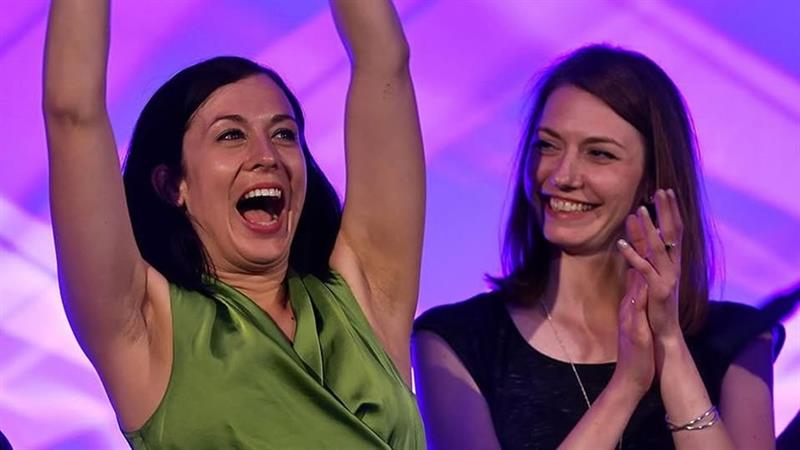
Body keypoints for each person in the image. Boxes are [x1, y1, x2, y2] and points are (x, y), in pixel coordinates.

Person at [43, 0, 425, 448]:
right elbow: (73, 115)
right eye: (231, 135)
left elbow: (385, 61)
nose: (267, 156)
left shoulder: (365, 297)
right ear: (173, 185)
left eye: (284, 134)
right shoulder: (144, 327)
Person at [413, 44, 783, 450]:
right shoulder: (457, 340)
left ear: (652, 178)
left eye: (598, 154)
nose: (562, 175)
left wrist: (670, 345)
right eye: (548, 146)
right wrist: (625, 388)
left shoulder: (735, 340)